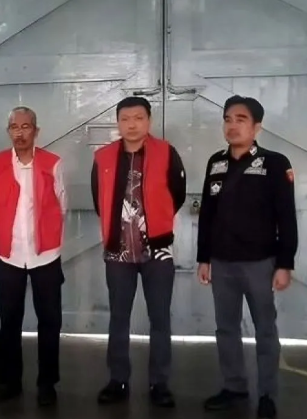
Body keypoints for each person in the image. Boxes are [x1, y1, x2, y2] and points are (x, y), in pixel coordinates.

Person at [197, 95, 298, 419]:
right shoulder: (216, 162)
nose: (232, 125)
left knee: (265, 329)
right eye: (228, 119)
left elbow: (287, 217)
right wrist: (203, 258)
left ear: (257, 127)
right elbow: (207, 215)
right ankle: (234, 386)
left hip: (260, 263)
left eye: (241, 119)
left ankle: (267, 394)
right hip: (222, 262)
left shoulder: (275, 163)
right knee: (226, 328)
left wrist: (285, 263)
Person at [91, 97, 186, 408]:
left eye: (138, 118)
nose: (131, 124)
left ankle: (160, 383)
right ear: (118, 122)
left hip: (158, 251)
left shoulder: (166, 153)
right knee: (118, 318)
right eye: (125, 118)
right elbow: (98, 199)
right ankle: (117, 380)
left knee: (160, 317)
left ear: (149, 121)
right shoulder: (103, 157)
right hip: (117, 253)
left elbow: (177, 194)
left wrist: (156, 223)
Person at [0, 106, 66, 407]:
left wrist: (48, 236)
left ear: (36, 130)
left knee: (50, 321)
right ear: (8, 131)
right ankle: (9, 382)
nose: (19, 133)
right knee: (9, 321)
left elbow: (62, 205)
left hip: (46, 255)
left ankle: (47, 384)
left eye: (26, 126)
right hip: (9, 255)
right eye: (14, 127)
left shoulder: (53, 164)